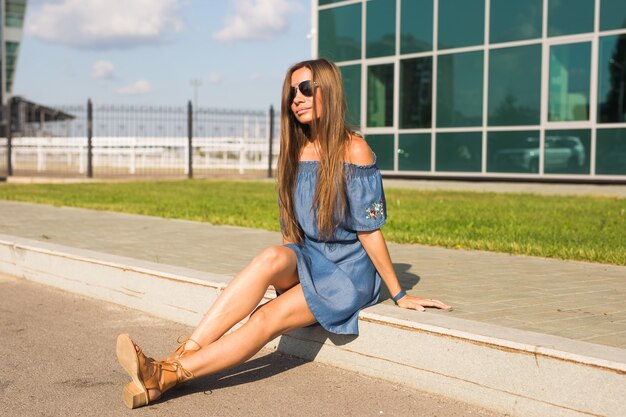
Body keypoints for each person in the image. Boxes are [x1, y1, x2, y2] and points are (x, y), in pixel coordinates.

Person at [116, 58, 451, 409]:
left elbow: (369, 231)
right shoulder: (297, 149)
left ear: (329, 92)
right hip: (311, 259)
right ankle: (168, 367)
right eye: (292, 91)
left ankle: (164, 374)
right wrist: (286, 278)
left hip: (347, 273)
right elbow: (290, 230)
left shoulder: (354, 149)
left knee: (265, 316)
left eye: (306, 89)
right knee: (270, 257)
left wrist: (399, 293)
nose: (297, 98)